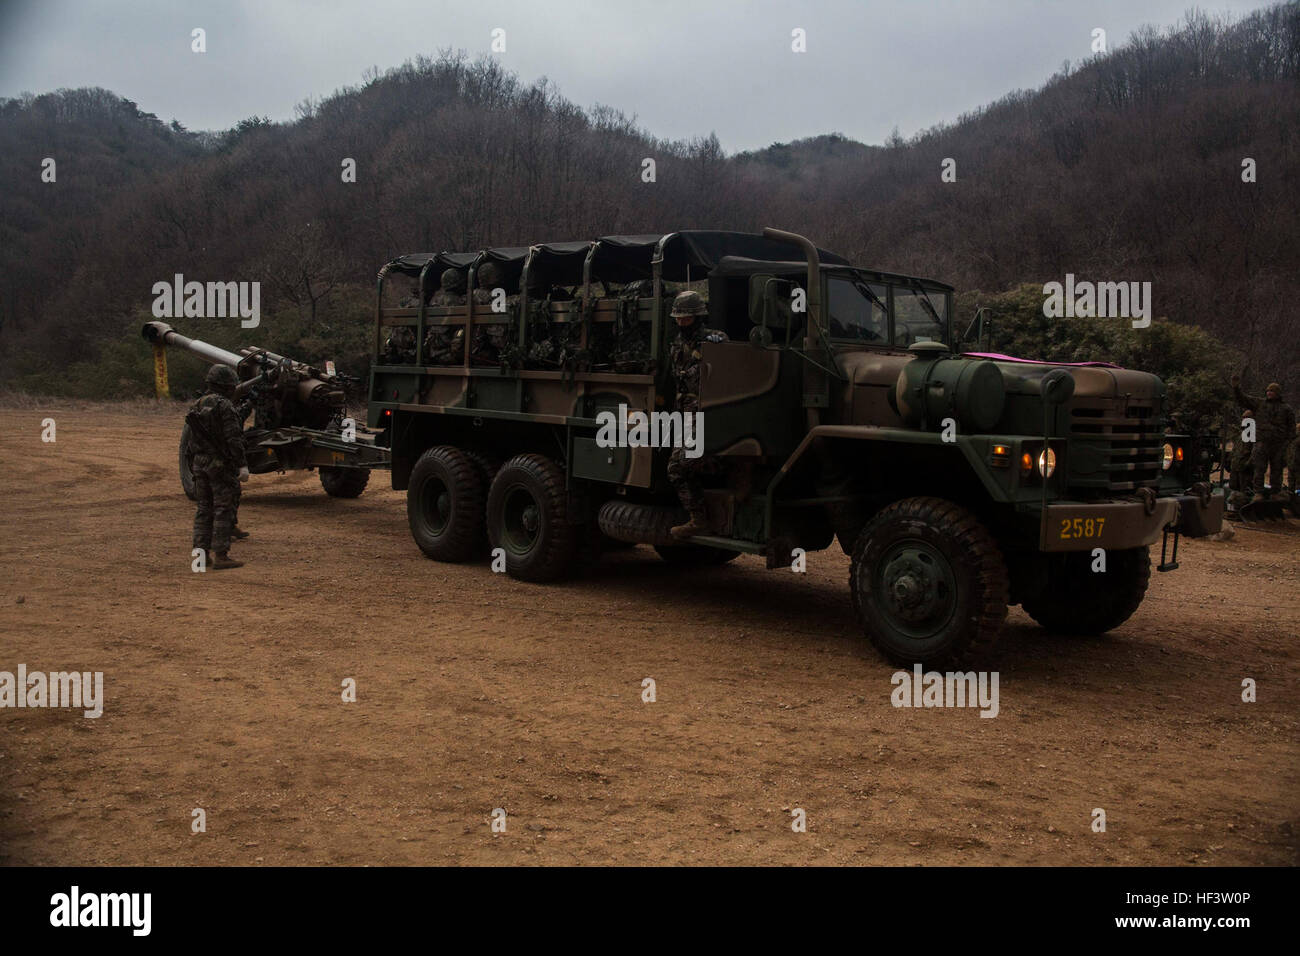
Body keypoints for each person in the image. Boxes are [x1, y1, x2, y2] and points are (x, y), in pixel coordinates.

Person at [666, 290, 728, 538]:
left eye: (687, 318)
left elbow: (728, 357)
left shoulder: (712, 340)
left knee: (676, 467)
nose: (682, 322)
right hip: (685, 414)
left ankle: (698, 519)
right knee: (686, 464)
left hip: (706, 413)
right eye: (679, 318)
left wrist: (720, 343)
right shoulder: (678, 343)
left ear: (698, 317)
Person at [186, 365, 250, 569]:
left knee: (204, 509)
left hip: (199, 463)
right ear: (226, 385)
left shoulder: (197, 404)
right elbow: (233, 438)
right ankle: (221, 555)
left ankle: (201, 556)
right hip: (219, 465)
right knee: (223, 507)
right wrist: (241, 465)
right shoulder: (224, 405)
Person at [1233, 376, 1296, 502]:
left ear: (1277, 393)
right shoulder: (1260, 404)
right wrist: (1236, 388)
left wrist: (1287, 442)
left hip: (1278, 444)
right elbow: (1243, 400)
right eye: (1268, 391)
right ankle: (1258, 493)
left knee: (1277, 470)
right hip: (1262, 442)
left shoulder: (1286, 409)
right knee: (1259, 468)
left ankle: (1275, 493)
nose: (1269, 393)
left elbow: (1291, 428)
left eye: (1272, 391)